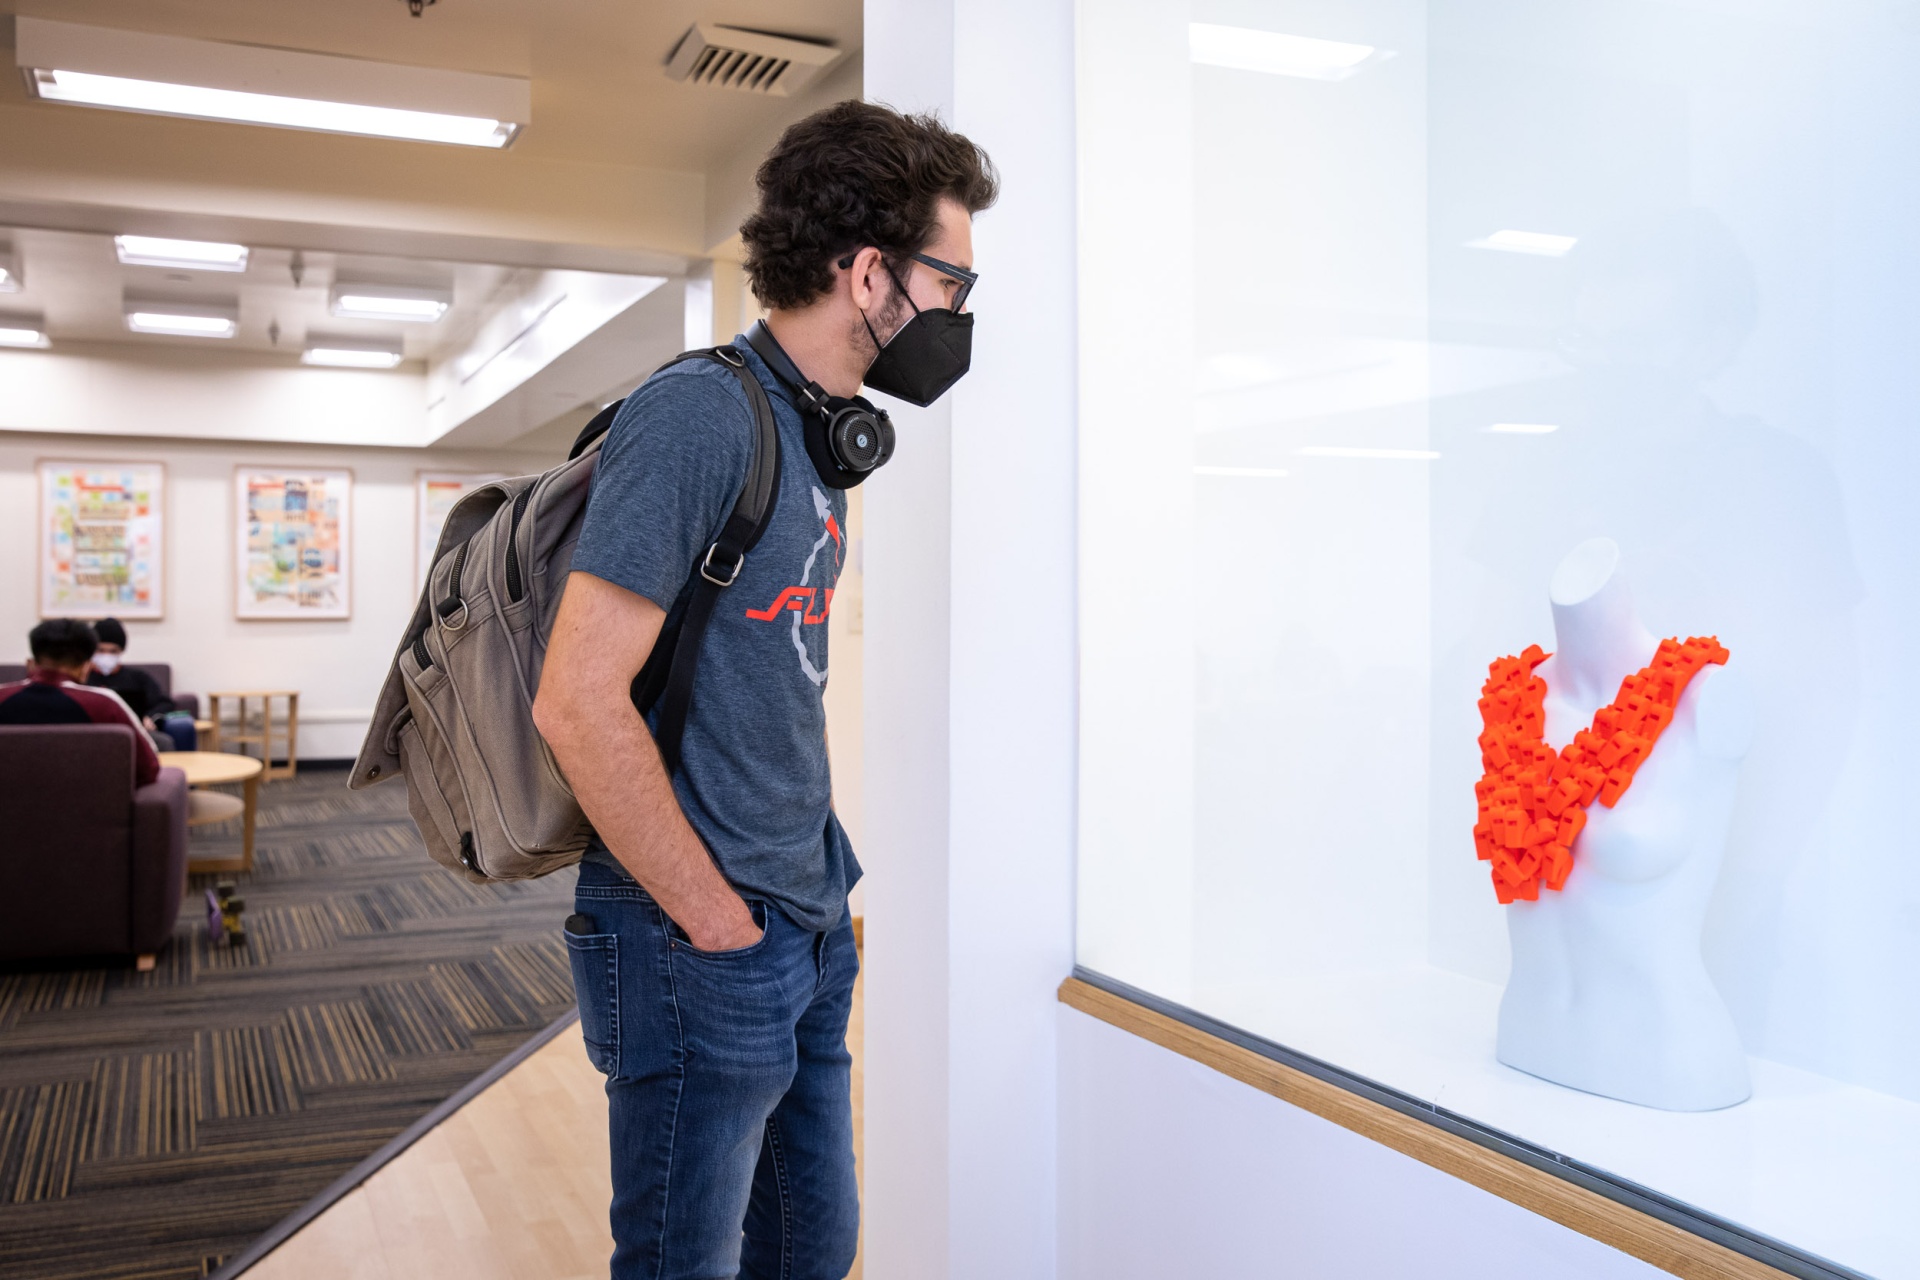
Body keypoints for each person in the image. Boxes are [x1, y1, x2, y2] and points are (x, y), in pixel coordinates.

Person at [532, 101, 996, 1279]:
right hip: (702, 939)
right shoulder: (698, 417)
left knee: (809, 1248)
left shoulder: (816, 435)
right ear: (867, 272)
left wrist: (814, 906)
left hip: (800, 921)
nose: (960, 315)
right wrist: (714, 918)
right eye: (952, 282)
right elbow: (576, 700)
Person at [0, 618, 160, 785]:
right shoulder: (105, 703)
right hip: (93, 808)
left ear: (30, 664)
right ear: (86, 667)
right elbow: (149, 768)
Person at [88, 616, 196, 750]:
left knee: (163, 742)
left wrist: (150, 717)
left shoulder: (138, 678)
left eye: (113, 651)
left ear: (121, 651)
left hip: (135, 732)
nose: (106, 656)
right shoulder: (82, 678)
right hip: (90, 733)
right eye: (101, 650)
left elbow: (164, 702)